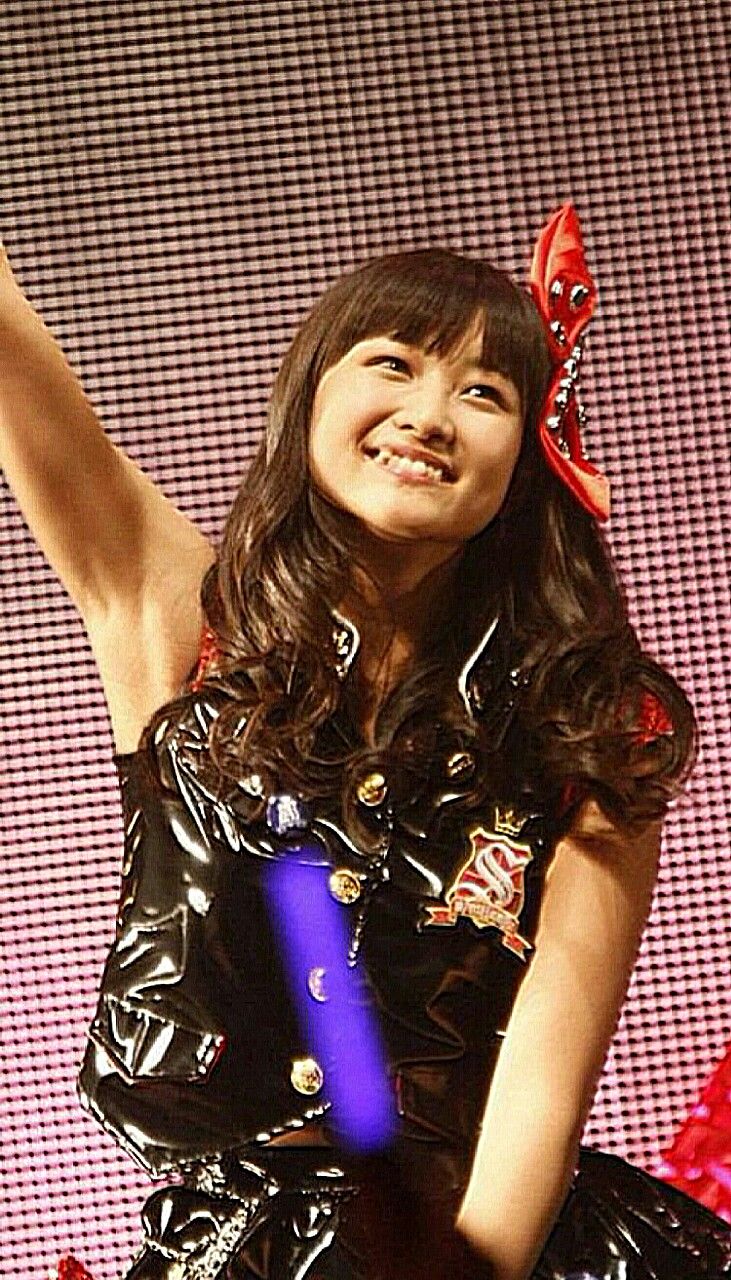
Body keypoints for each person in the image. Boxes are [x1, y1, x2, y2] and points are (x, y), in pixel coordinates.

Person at [2, 207, 729, 1280]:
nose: (429, 416)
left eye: (484, 393)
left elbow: (542, 1088)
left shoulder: (585, 725)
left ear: (528, 454)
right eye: (393, 363)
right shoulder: (184, 627)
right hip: (220, 1244)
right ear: (310, 394)